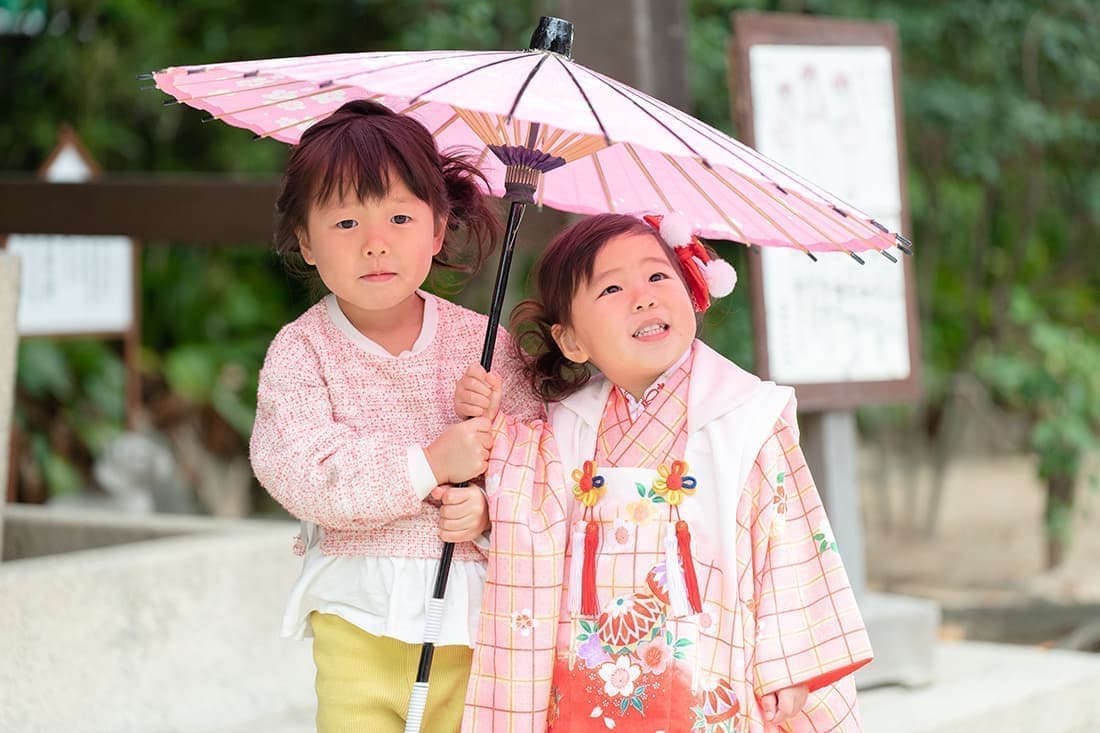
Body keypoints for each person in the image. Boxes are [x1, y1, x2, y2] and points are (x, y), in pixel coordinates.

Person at [455, 213, 873, 732]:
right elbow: (528, 513)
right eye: (611, 287)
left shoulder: (746, 417)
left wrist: (790, 661)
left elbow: (789, 543)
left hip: (706, 660)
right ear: (572, 342)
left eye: (657, 276)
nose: (644, 297)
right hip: (593, 667)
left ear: (692, 291)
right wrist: (487, 489)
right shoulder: (565, 428)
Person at [249, 99, 543, 733]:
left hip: (477, 621)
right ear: (305, 240)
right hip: (358, 615)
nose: (376, 243)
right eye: (347, 222)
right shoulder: (301, 351)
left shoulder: (484, 348)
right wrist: (429, 464)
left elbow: (542, 463)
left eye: (401, 217)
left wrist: (492, 506)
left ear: (437, 232)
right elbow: (301, 470)